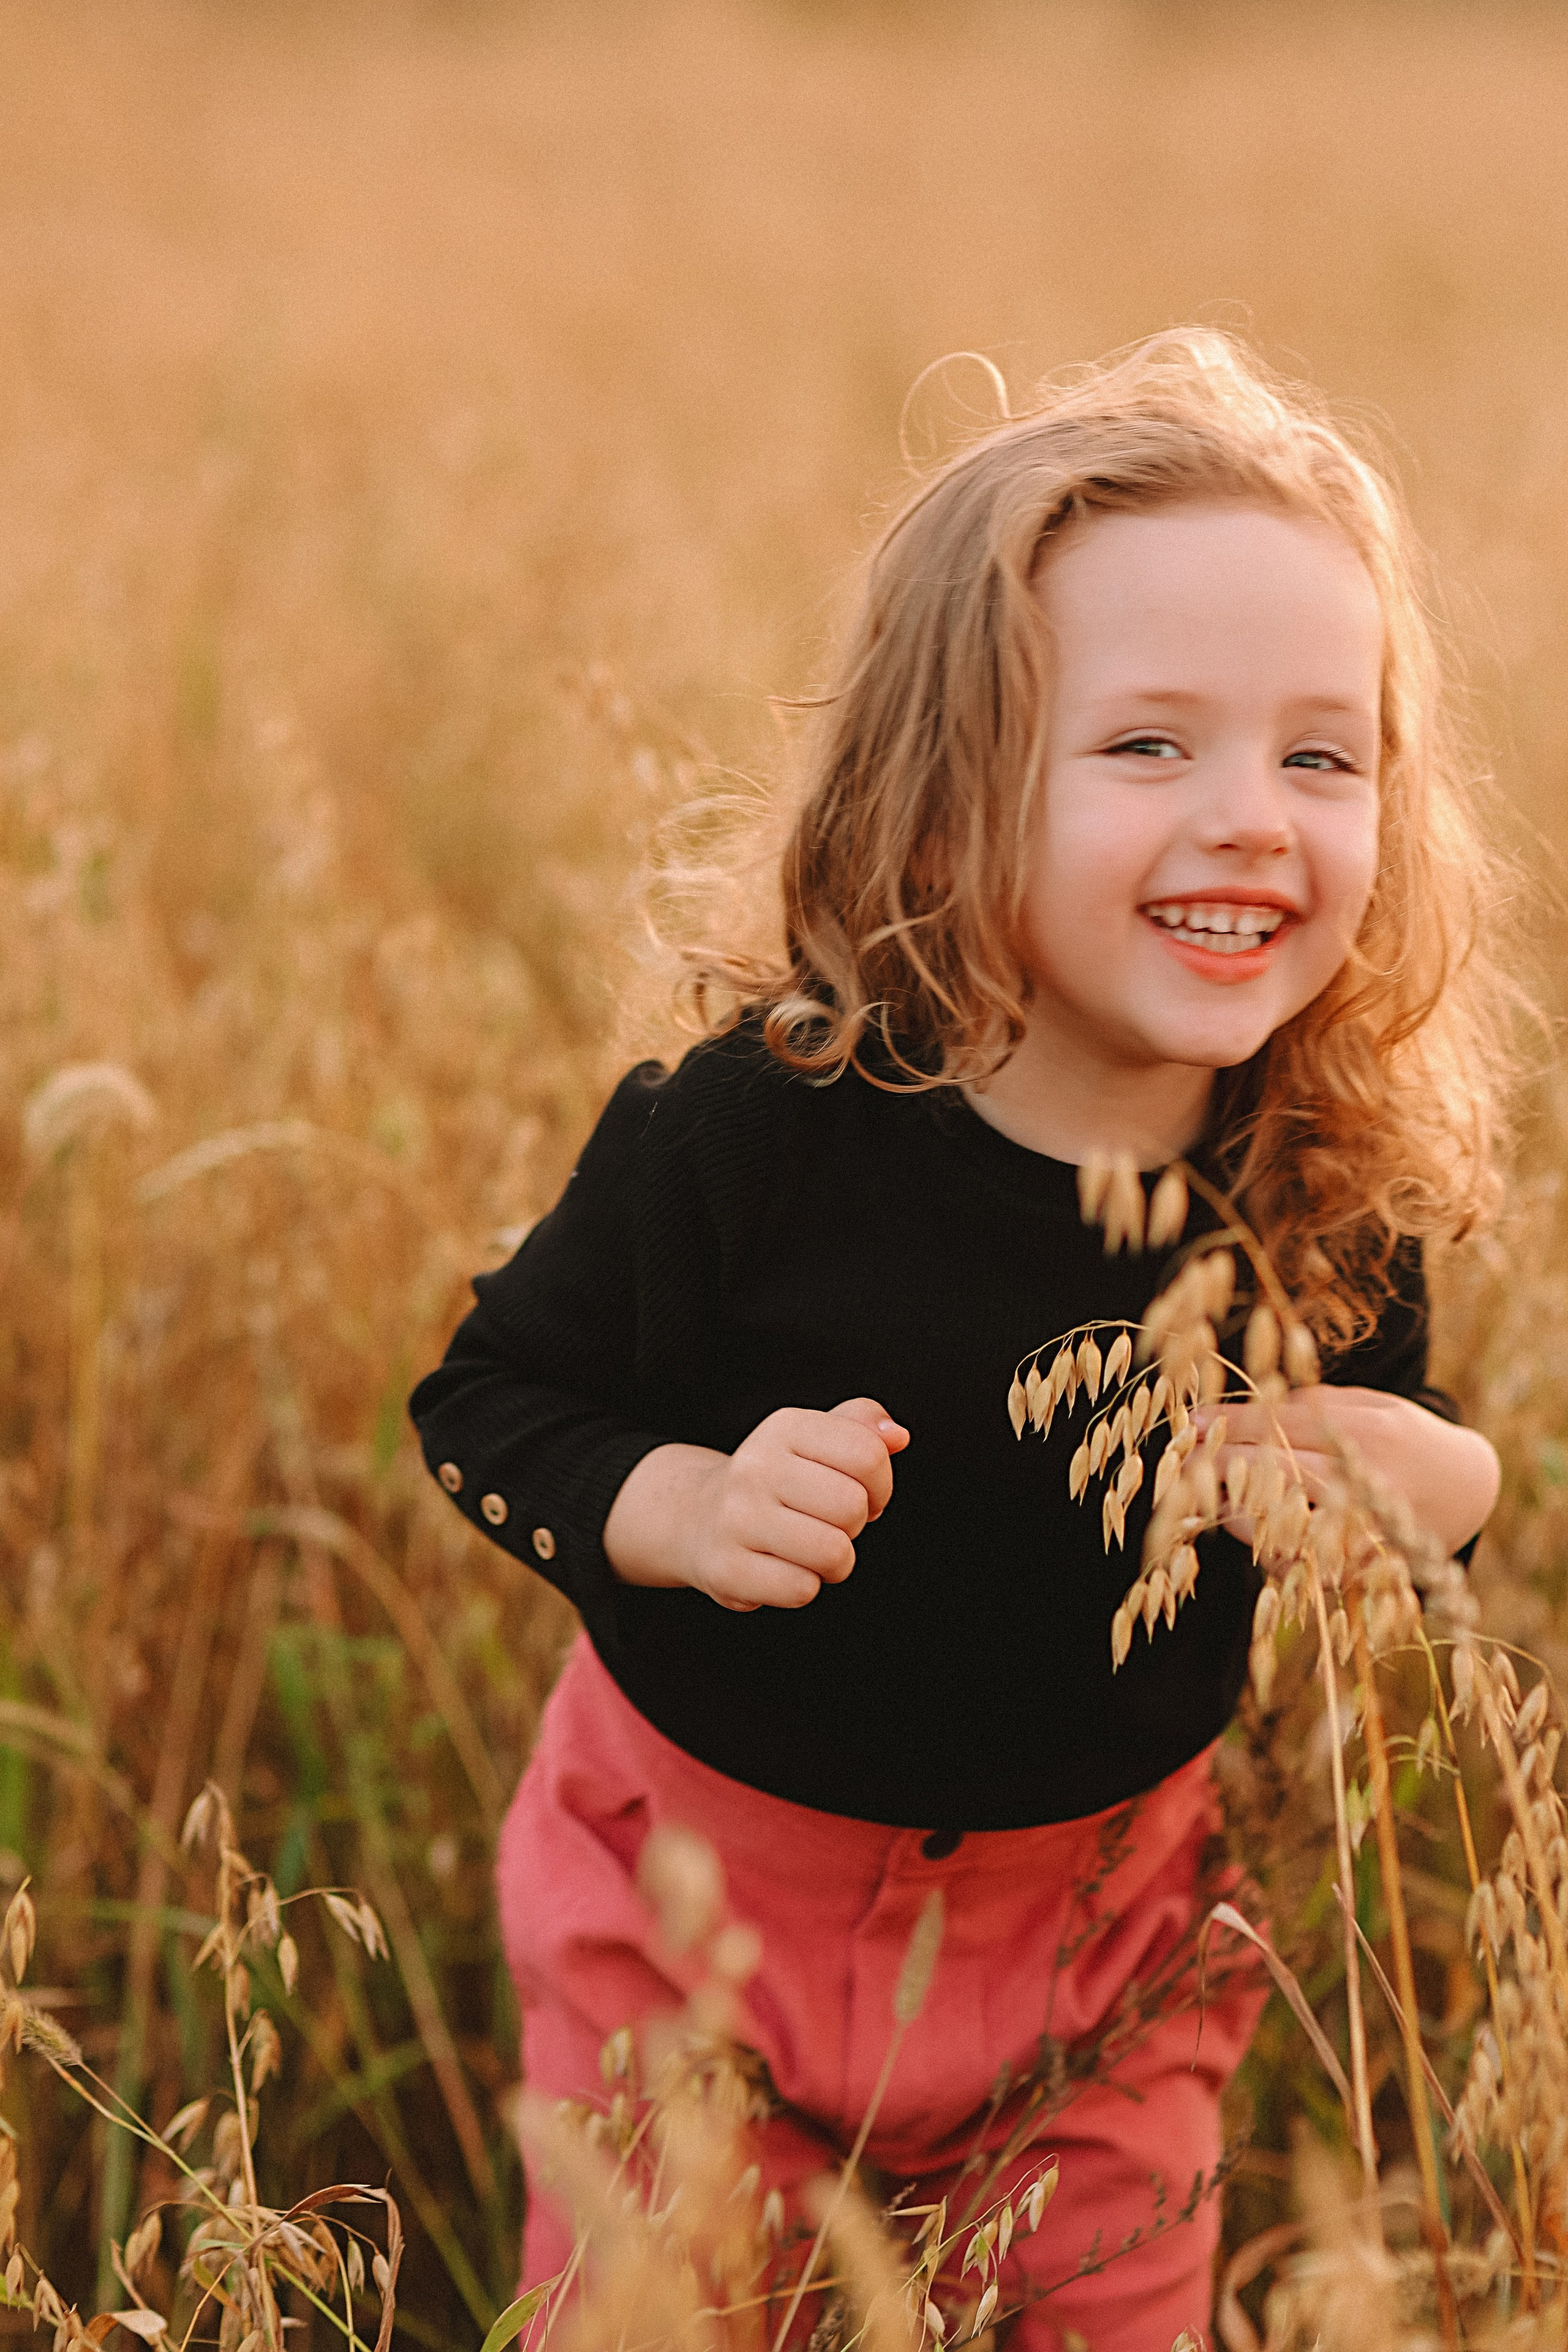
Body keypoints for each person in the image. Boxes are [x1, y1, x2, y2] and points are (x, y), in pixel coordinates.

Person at [410, 330, 1508, 2350]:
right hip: (693, 1939)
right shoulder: (760, 1131)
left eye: (1322, 755)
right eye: (1151, 746)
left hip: (1107, 1963)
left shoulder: (1320, 1172)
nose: (1255, 818)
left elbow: (1407, 1441)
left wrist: (1436, 1478)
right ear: (936, 814)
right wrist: (679, 1503)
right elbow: (485, 1400)